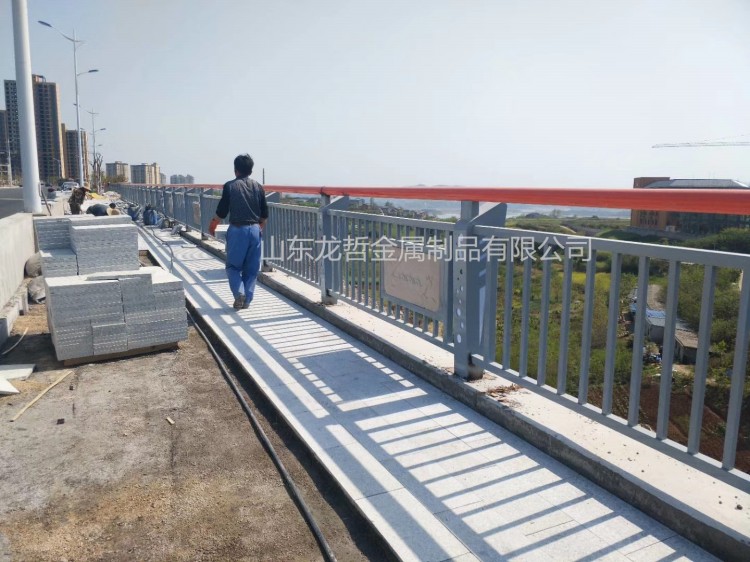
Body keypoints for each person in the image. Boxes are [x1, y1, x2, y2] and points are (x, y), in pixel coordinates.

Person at [209, 154, 268, 310]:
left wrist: (213, 224)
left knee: (233, 267)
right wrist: (258, 229)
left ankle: (239, 293)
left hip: (237, 230)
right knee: (251, 269)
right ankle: (247, 300)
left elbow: (222, 211)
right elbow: (264, 214)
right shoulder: (258, 187)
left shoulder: (230, 186)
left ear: (235, 170)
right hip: (255, 229)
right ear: (251, 170)